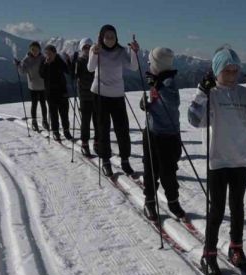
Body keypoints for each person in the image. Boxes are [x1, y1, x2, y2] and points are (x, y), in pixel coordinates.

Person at [188, 46, 246, 275]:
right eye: (227, 70)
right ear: (217, 70)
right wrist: (201, 94)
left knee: (237, 207)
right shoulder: (212, 93)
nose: (232, 74)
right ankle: (209, 253)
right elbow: (195, 120)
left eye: (235, 70)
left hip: (240, 158)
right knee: (216, 209)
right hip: (217, 159)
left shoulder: (244, 94)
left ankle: (236, 248)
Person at [139, 47, 187, 221]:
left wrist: (158, 86)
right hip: (152, 132)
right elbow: (156, 103)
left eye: (151, 62)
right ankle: (150, 201)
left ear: (158, 65)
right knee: (150, 169)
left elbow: (172, 102)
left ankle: (173, 201)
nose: (148, 65)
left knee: (168, 172)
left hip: (167, 135)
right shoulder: (158, 80)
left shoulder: (168, 82)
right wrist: (147, 105)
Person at [87, 24, 139, 177]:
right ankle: (106, 161)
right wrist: (94, 53)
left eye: (112, 36)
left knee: (122, 129)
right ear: (101, 37)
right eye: (107, 36)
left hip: (117, 95)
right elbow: (90, 68)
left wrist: (134, 52)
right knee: (103, 129)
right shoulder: (95, 49)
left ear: (116, 37)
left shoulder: (121, 51)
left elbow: (134, 67)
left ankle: (125, 160)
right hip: (99, 94)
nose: (110, 39)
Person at [39, 45, 72, 141]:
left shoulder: (59, 61)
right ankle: (55, 132)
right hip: (50, 93)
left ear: (55, 53)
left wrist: (68, 61)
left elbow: (68, 71)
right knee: (53, 114)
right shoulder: (44, 62)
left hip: (62, 92)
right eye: (46, 53)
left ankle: (66, 131)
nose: (48, 56)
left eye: (50, 53)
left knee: (64, 113)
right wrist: (46, 64)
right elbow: (41, 74)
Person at [15, 41, 49, 131]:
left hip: (42, 85)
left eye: (36, 49)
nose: (35, 51)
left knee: (43, 104)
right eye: (33, 49)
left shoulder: (43, 58)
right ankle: (35, 122)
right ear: (30, 50)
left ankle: (44, 121)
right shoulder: (26, 60)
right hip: (33, 86)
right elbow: (22, 72)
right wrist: (19, 66)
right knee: (35, 104)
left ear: (39, 49)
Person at [73, 38, 99, 156]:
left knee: (97, 120)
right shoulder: (80, 61)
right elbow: (75, 75)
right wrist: (73, 63)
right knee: (86, 121)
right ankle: (85, 143)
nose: (87, 49)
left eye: (89, 47)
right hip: (84, 95)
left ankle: (97, 142)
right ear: (81, 48)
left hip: (96, 94)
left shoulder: (96, 59)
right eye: (85, 47)